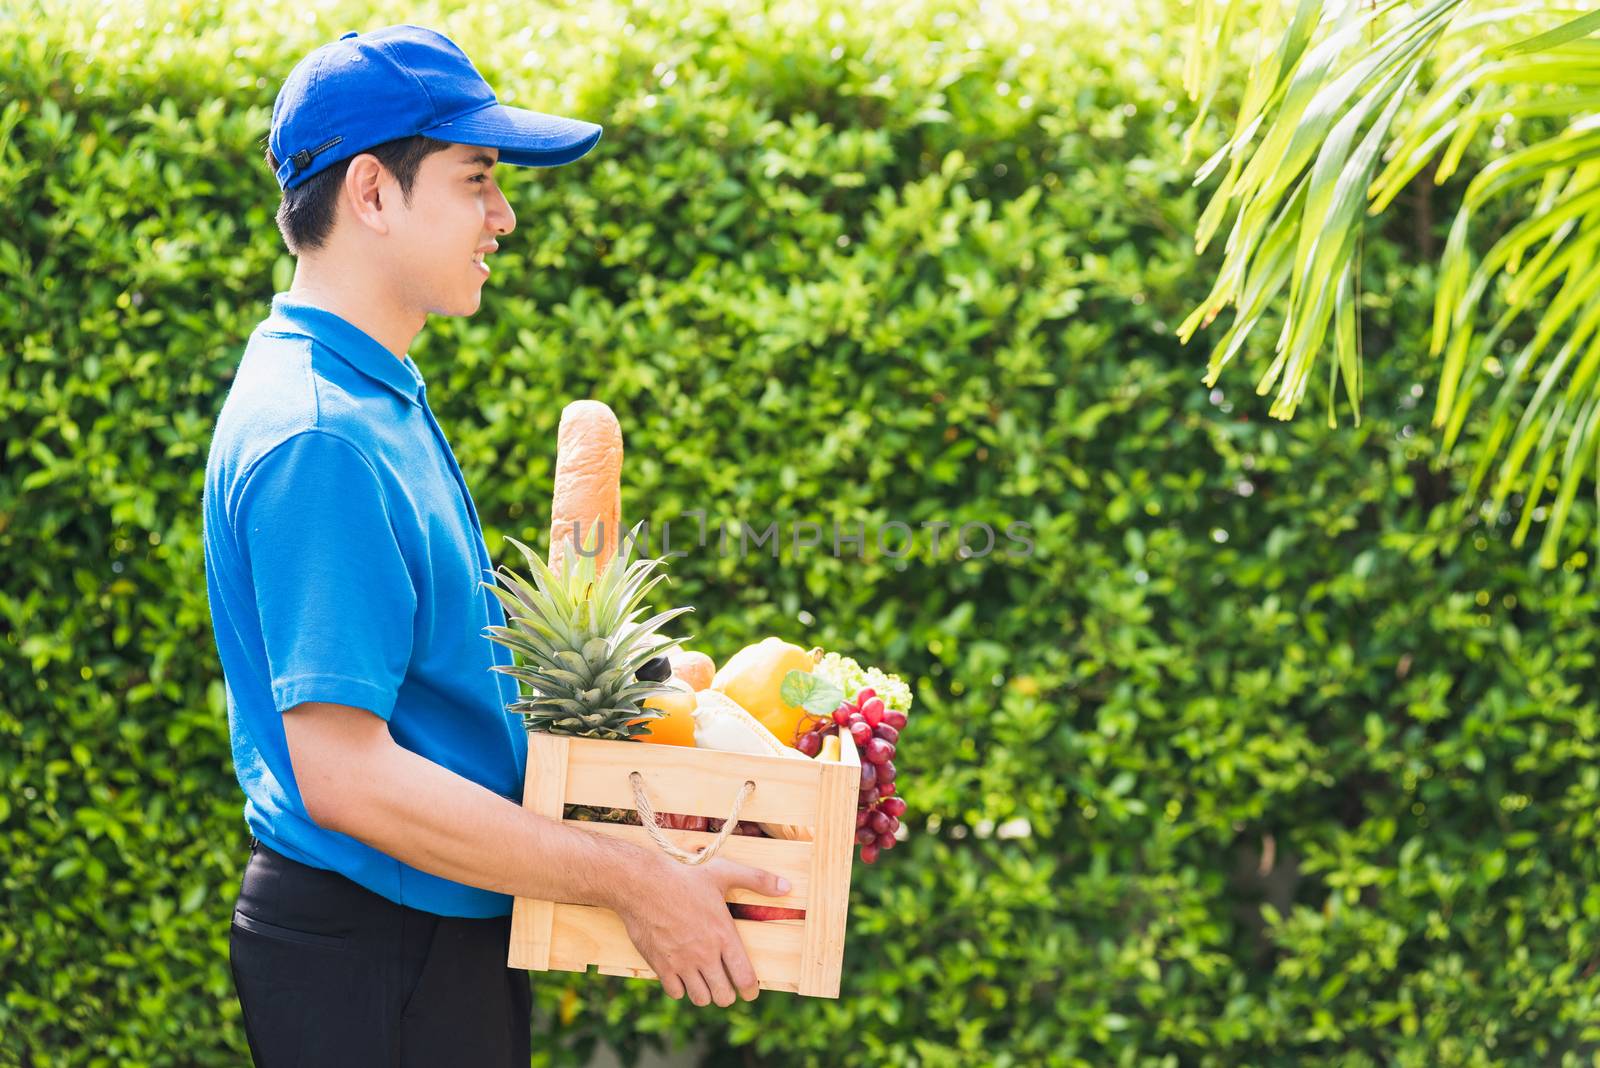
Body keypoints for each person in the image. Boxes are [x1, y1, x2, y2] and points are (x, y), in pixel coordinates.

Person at [202, 25, 789, 1067]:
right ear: (373, 193)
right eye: (477, 180)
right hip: (377, 954)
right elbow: (349, 776)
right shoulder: (322, 434)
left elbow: (433, 706)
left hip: (417, 945)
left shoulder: (365, 393)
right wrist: (632, 881)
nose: (504, 218)